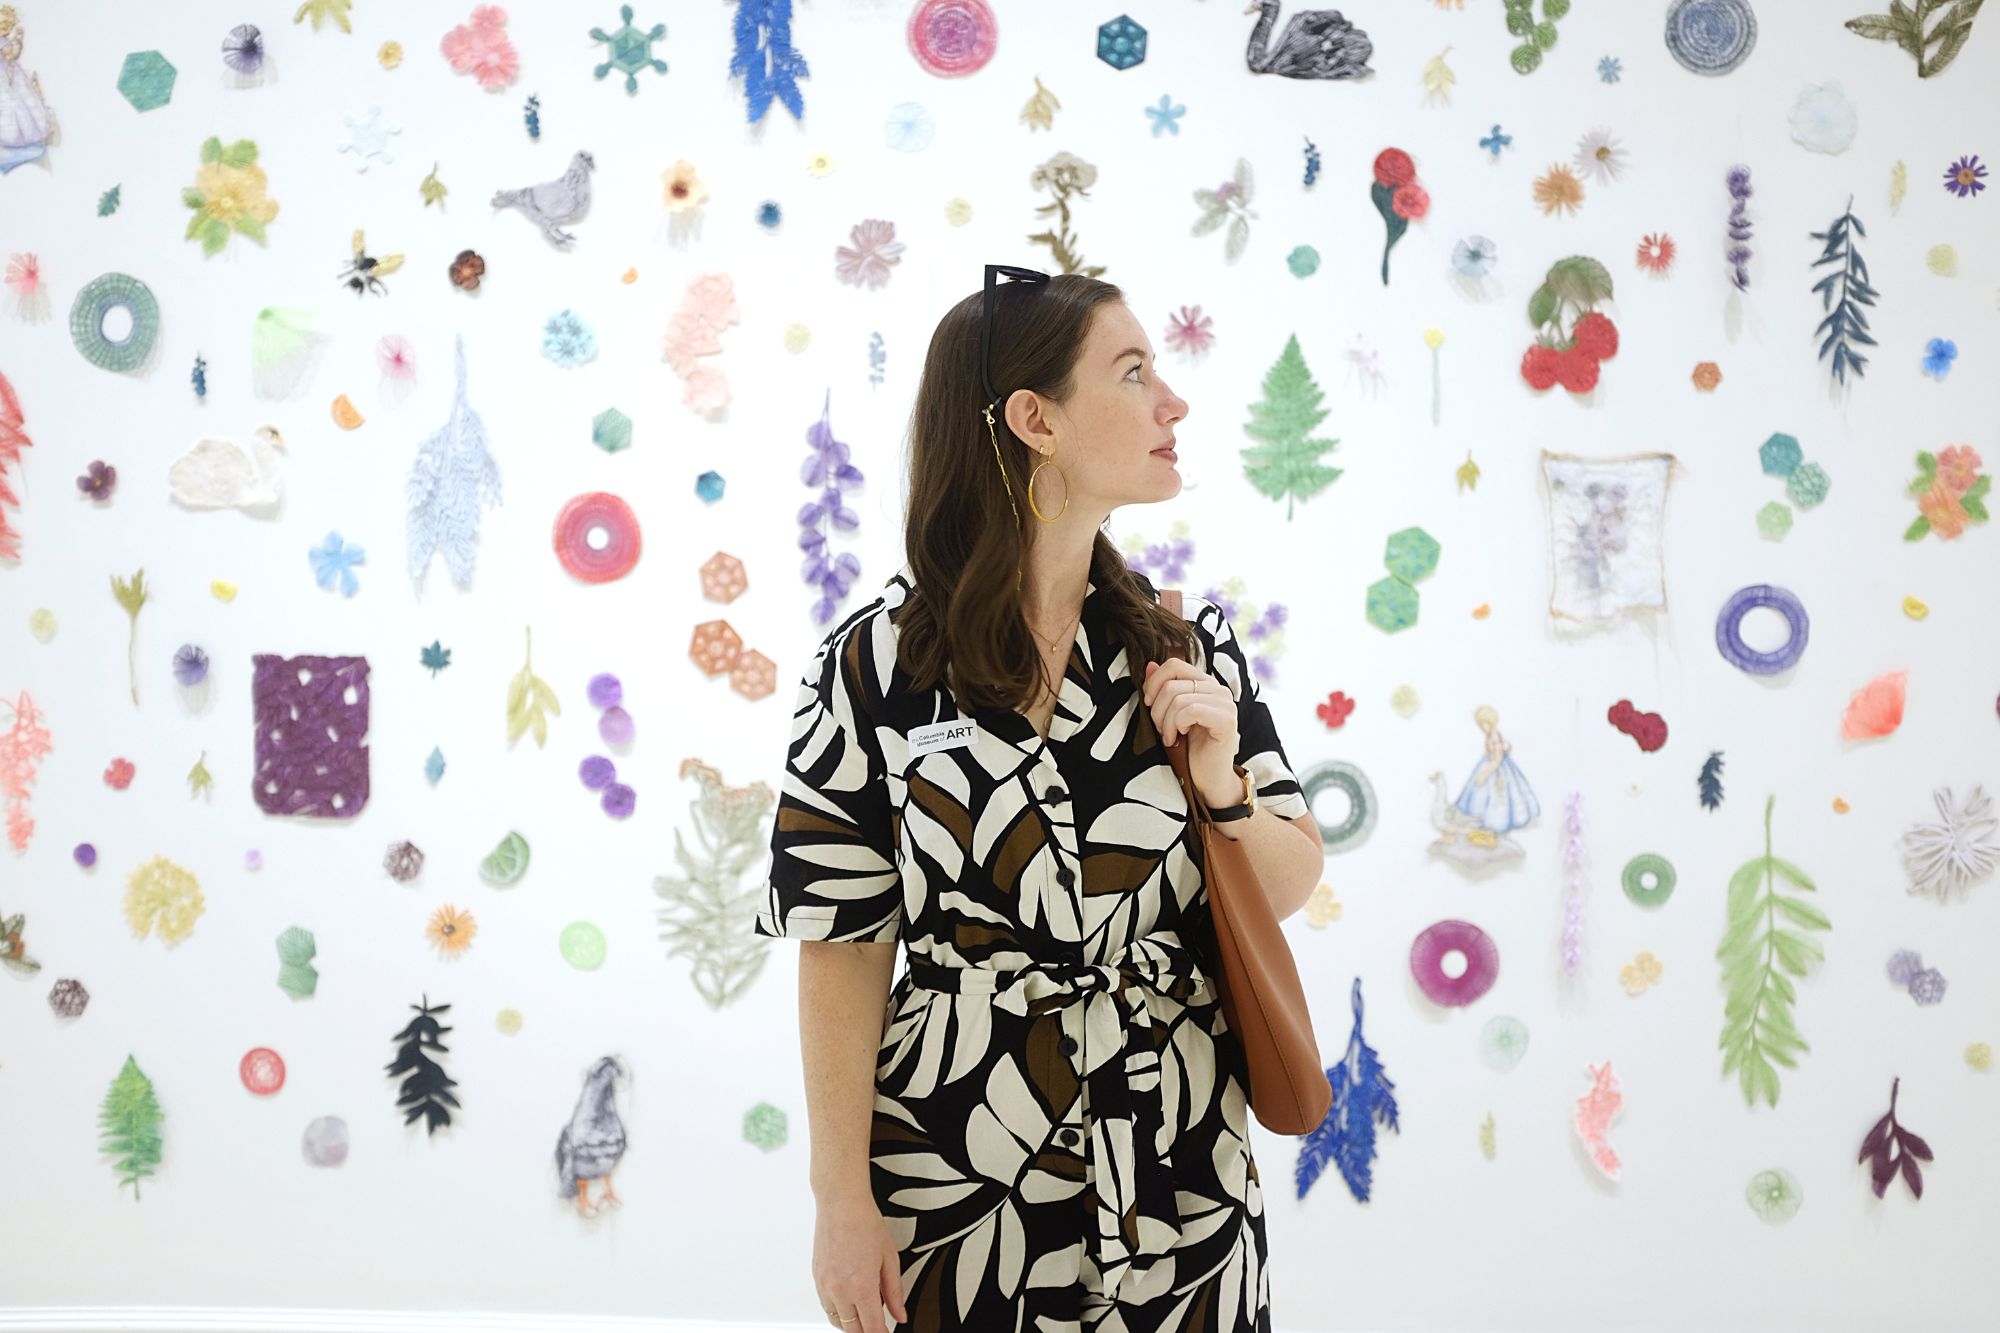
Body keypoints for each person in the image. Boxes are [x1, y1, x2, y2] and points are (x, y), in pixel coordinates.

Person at [753, 267, 1325, 1332]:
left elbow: (1288, 881)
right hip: (957, 1163)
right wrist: (840, 1197)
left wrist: (1221, 787)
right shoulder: (873, 668)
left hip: (1180, 1161)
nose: (1173, 402)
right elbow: (840, 941)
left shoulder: (1183, 650)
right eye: (1132, 371)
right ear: (1034, 419)